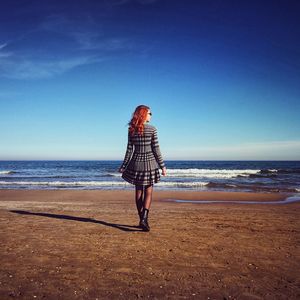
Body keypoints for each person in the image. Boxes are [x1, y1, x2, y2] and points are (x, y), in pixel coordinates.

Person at [119, 105, 167, 232]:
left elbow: (129, 150)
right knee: (149, 192)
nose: (151, 115)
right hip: (150, 163)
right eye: (150, 113)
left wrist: (123, 166)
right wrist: (162, 166)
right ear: (144, 114)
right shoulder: (152, 129)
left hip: (136, 164)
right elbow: (156, 149)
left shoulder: (131, 130)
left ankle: (142, 220)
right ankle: (144, 219)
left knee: (138, 192)